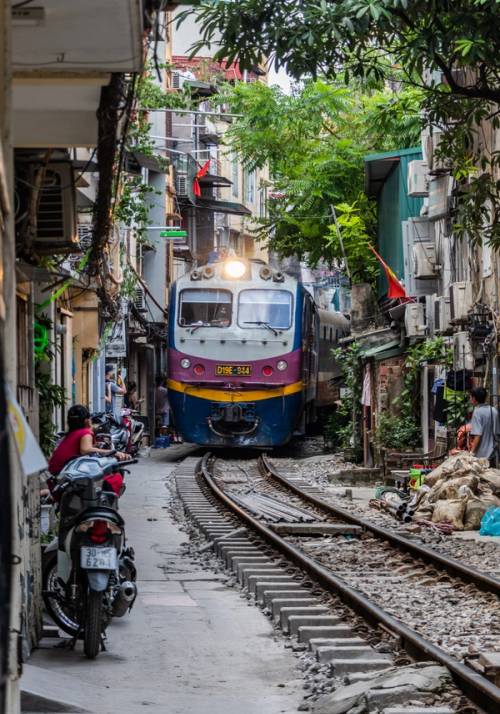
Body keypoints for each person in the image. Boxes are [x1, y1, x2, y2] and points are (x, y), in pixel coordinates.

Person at [48, 405, 127, 496]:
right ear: (87, 420)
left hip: (56, 474)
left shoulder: (71, 434)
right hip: (65, 476)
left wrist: (95, 446)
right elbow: (85, 450)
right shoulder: (85, 432)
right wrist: (112, 452)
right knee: (115, 478)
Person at [469, 387, 499, 464]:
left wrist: (471, 453)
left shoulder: (477, 412)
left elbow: (478, 435)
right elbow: (497, 433)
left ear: (474, 398)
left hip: (481, 457)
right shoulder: (493, 410)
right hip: (493, 455)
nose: (470, 399)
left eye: (470, 397)